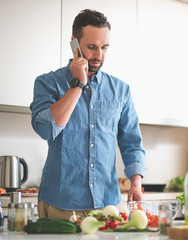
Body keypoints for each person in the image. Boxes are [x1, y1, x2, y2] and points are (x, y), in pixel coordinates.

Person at [30, 9, 146, 220]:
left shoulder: (121, 90)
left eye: (104, 48)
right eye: (92, 47)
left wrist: (135, 183)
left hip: (108, 204)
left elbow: (132, 142)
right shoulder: (48, 83)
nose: (99, 56)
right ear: (74, 43)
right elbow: (47, 130)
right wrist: (78, 84)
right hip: (62, 204)